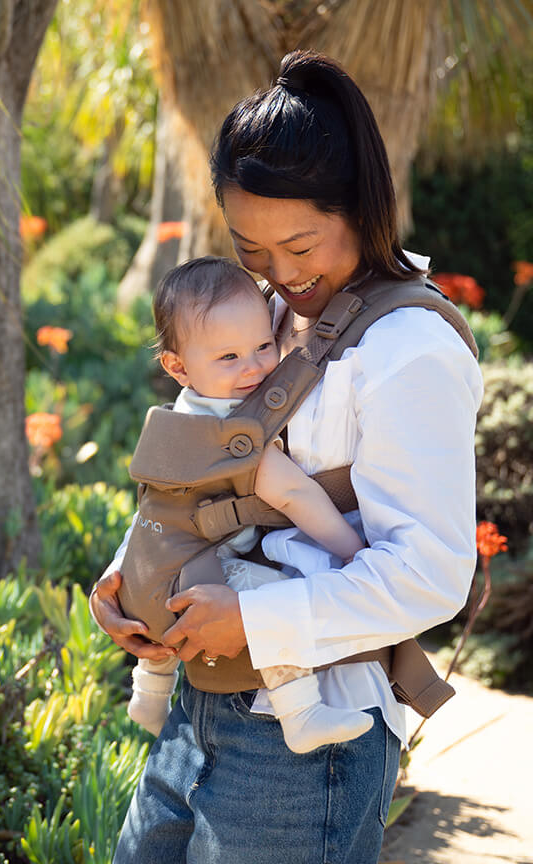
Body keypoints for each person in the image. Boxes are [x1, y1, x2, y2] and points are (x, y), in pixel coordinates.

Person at [91, 49, 484, 864]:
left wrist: (253, 619)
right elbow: (203, 466)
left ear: (362, 206)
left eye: (301, 246)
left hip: (310, 739)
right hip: (199, 706)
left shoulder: (409, 348)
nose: (281, 275)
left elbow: (432, 574)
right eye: (252, 251)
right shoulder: (259, 314)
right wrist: (132, 577)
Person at [124, 254, 375, 754]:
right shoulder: (235, 433)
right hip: (193, 587)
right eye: (229, 358)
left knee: (171, 601)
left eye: (263, 346)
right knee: (269, 602)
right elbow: (296, 494)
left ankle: (148, 695)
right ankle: (300, 712)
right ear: (177, 366)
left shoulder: (180, 416)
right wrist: (354, 551)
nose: (255, 367)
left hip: (141, 575)